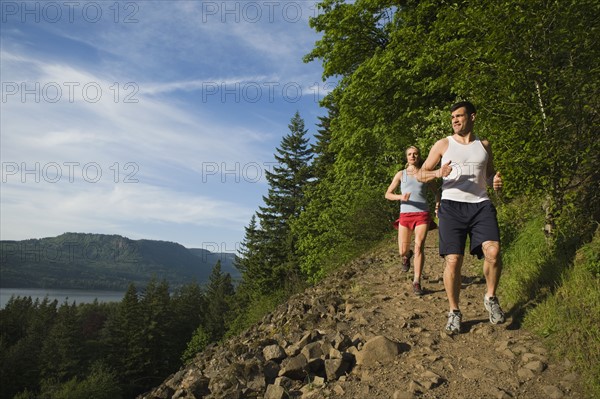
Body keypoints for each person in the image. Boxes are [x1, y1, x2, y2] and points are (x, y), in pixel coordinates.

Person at [417, 100, 505, 335]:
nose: (455, 120)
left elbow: (487, 175)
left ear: (472, 117)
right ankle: (454, 312)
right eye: (452, 117)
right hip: (452, 207)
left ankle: (490, 297)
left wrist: (494, 182)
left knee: (494, 252)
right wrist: (438, 173)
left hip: (480, 205)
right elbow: (421, 174)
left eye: (459, 116)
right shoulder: (443, 144)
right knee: (454, 261)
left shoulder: (484, 145)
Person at [385, 146, 439, 296]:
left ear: (419, 156)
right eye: (409, 154)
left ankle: (417, 281)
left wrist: (437, 204)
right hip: (405, 215)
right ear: (406, 157)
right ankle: (406, 256)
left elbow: (436, 192)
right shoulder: (401, 174)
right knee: (403, 249)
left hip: (422, 214)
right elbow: (388, 194)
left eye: (415, 154)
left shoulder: (424, 174)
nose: (412, 156)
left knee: (419, 246)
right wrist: (400, 197)